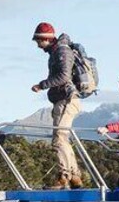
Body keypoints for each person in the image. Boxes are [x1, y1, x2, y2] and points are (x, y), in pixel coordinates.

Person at [30, 21, 83, 190]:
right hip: (62, 100)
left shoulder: (61, 51)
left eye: (39, 41)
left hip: (67, 99)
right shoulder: (56, 52)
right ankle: (74, 176)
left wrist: (42, 85)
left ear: (45, 38)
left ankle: (64, 176)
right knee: (62, 139)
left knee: (59, 139)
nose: (38, 45)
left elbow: (63, 76)